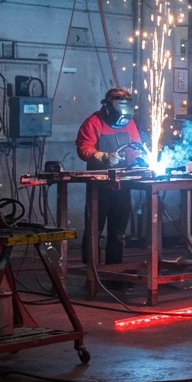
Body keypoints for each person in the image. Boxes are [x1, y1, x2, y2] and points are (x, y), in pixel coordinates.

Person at [75, 88, 145, 277]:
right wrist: (101, 155)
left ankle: (114, 272)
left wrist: (139, 160)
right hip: (99, 186)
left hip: (122, 185)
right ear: (108, 107)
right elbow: (83, 148)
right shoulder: (93, 122)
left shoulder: (129, 122)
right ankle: (92, 271)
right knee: (94, 230)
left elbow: (136, 145)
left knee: (118, 232)